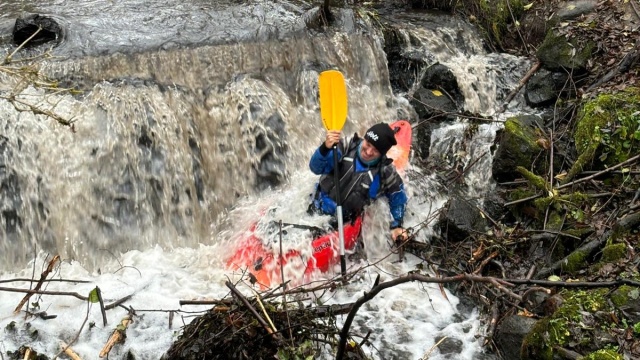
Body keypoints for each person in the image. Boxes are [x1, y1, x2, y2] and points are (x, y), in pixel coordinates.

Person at [308, 123, 408, 242]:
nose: (369, 152)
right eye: (368, 144)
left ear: (382, 154)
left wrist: (397, 225)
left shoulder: (386, 172)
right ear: (364, 138)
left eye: (376, 150)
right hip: (317, 207)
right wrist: (324, 148)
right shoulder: (346, 146)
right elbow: (315, 168)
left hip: (346, 222)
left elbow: (398, 197)